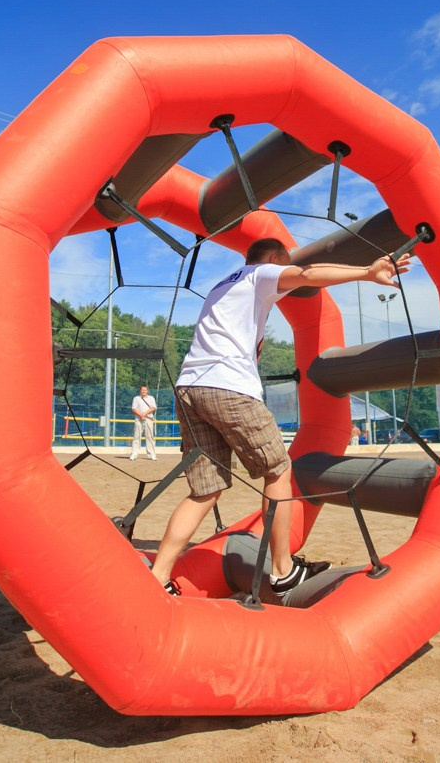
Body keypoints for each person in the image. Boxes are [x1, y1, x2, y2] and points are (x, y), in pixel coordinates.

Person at [150, 238, 411, 597]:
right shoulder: (262, 273)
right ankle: (283, 569)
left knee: (205, 491)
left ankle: (159, 575)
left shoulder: (223, 284)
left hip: (190, 387)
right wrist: (367, 272)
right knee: (279, 470)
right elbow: (306, 274)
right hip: (228, 387)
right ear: (274, 259)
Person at [130, 385, 158, 460]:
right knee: (136, 436)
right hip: (138, 419)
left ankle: (152, 454)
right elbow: (134, 409)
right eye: (142, 390)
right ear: (140, 390)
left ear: (147, 391)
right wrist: (141, 415)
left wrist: (144, 414)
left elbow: (153, 408)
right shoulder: (136, 398)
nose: (143, 391)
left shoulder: (151, 398)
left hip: (148, 418)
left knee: (150, 437)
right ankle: (134, 454)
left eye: (145, 390)